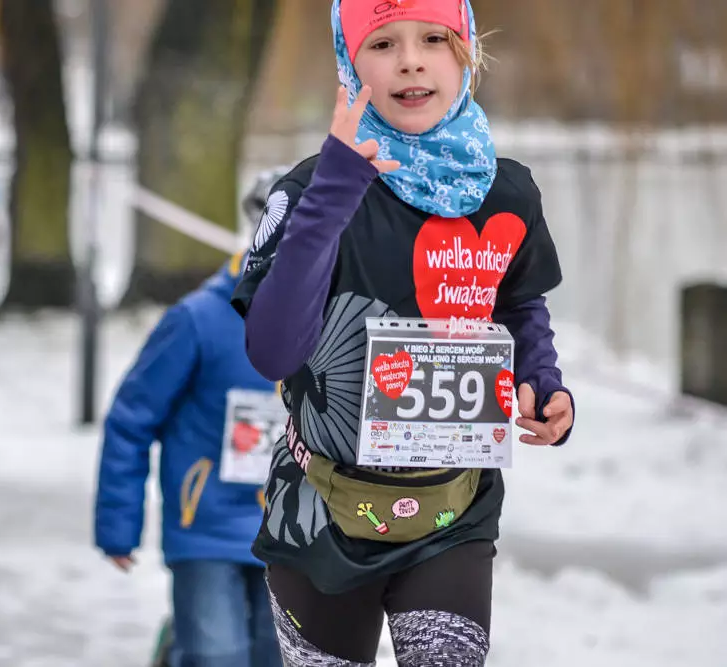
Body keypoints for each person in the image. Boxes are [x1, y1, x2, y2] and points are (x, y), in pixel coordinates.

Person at [230, 1, 575, 665]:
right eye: (383, 43)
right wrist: (336, 187)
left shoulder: (506, 193)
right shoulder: (307, 190)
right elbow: (271, 350)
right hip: (321, 512)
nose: (411, 59)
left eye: (434, 40)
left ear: (466, 55)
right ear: (348, 65)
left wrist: (541, 380)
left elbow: (519, 300)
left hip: (454, 508)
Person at [93, 243, 286, 667]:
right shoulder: (197, 319)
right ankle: (184, 646)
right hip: (206, 526)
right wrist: (118, 526)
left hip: (295, 535)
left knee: (279, 660)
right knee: (217, 656)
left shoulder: (335, 318)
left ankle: (181, 641)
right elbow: (131, 420)